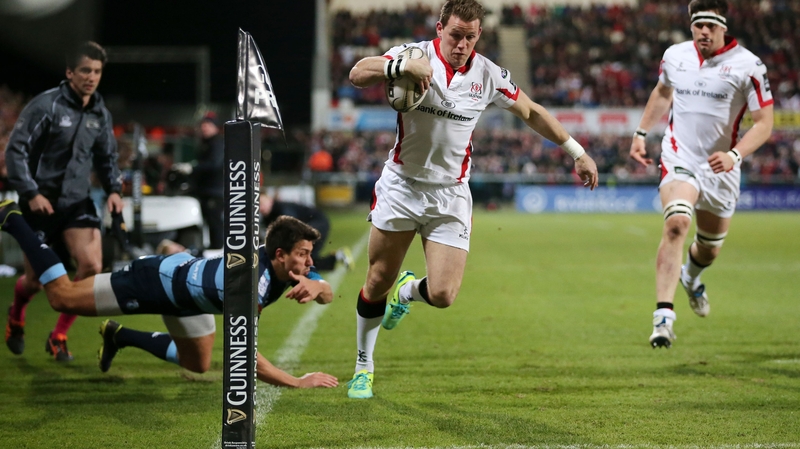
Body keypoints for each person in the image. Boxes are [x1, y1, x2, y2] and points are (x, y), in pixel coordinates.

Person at [344, 0, 599, 399]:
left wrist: (576, 152)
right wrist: (400, 68)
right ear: (440, 28)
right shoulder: (415, 55)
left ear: (479, 35)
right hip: (402, 186)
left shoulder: (489, 74)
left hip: (450, 194)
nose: (462, 45)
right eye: (455, 35)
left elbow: (530, 111)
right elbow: (358, 73)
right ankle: (364, 366)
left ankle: (408, 291)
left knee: (443, 295)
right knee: (377, 279)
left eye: (470, 37)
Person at [0, 201, 338, 388]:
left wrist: (319, 285)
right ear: (280, 255)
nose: (310, 262)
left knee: (198, 363)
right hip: (154, 281)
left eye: (310, 255)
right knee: (62, 296)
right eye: (304, 254)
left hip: (192, 298)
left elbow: (328, 295)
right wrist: (298, 382)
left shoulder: (288, 266)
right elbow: (244, 358)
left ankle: (120, 336)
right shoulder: (251, 287)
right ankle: (13, 219)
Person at [629, 0, 773, 349]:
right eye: (698, 25)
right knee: (676, 223)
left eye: (710, 25)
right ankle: (663, 320)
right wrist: (641, 132)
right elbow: (663, 92)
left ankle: (691, 279)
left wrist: (735, 155)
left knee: (709, 249)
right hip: (680, 156)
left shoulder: (749, 66)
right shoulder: (675, 56)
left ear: (723, 26)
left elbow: (764, 123)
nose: (703, 31)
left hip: (722, 167)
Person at [4, 41, 123, 362]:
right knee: (34, 283)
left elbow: (107, 157)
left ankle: (58, 335)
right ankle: (16, 315)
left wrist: (114, 190)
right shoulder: (46, 106)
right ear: (70, 72)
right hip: (39, 203)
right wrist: (31, 193)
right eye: (85, 70)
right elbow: (16, 150)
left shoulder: (100, 113)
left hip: (77, 203)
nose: (91, 77)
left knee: (92, 267)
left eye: (97, 71)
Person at [260, 193, 353, 271]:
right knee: (307, 261)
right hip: (313, 225)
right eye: (258, 205)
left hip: (318, 223)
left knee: (304, 260)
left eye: (262, 203)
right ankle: (337, 256)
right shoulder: (267, 218)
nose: (261, 207)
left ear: (270, 200)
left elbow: (292, 229)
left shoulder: (282, 210)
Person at [191, 112, 225, 249]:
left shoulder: (218, 143)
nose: (204, 128)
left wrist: (193, 167)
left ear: (215, 127)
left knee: (214, 223)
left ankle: (217, 250)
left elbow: (214, 164)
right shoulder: (205, 143)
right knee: (208, 222)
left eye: (208, 125)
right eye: (203, 125)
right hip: (206, 190)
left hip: (214, 191)